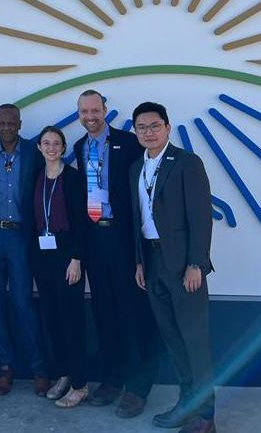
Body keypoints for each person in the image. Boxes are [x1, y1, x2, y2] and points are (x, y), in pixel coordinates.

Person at [73, 90, 160, 418]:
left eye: (95, 110)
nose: (90, 116)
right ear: (79, 114)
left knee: (132, 313)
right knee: (104, 311)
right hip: (96, 238)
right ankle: (113, 376)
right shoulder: (81, 148)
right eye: (85, 111)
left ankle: (138, 386)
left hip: (124, 240)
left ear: (105, 110)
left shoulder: (129, 142)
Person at [131, 102, 216, 433]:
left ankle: (205, 416)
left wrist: (197, 263)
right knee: (173, 339)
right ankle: (186, 402)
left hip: (183, 266)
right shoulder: (136, 167)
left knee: (195, 340)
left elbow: (200, 217)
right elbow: (139, 219)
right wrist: (139, 261)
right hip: (152, 264)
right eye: (142, 127)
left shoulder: (186, 163)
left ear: (167, 127)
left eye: (154, 126)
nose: (148, 132)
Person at [0, 103, 49, 396]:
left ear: (20, 124)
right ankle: (5, 366)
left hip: (21, 237)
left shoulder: (34, 152)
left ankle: (39, 368)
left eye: (11, 123)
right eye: (1, 123)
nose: (6, 128)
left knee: (22, 303)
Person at [31, 127, 89, 408]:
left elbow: (82, 221)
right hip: (43, 257)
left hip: (68, 257)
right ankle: (64, 375)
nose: (51, 147)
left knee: (72, 322)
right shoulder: (36, 177)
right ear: (40, 148)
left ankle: (80, 384)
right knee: (52, 320)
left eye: (56, 143)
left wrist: (77, 258)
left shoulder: (74, 178)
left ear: (63, 148)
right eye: (46, 143)